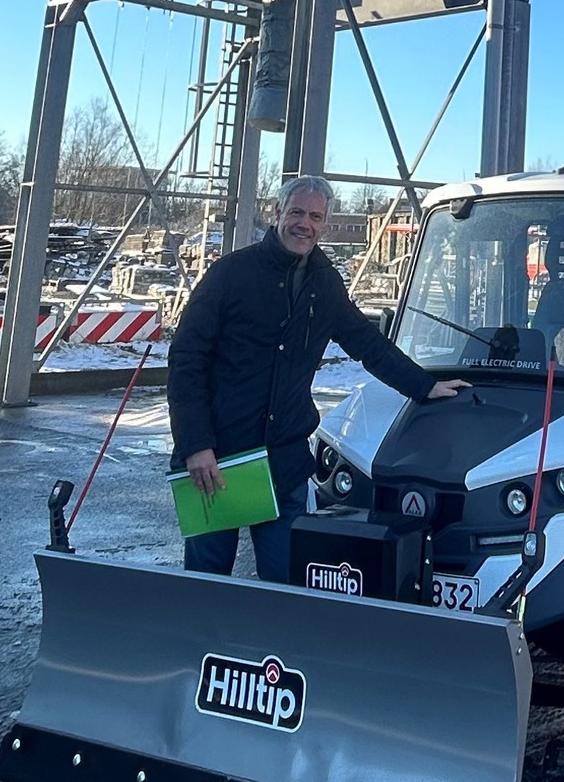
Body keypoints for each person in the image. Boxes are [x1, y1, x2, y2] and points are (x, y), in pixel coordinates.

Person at [168, 174, 467, 582]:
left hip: (284, 464)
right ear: (277, 214)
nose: (303, 224)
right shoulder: (230, 275)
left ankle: (275, 648)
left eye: (314, 216)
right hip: (220, 462)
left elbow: (365, 342)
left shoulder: (323, 284)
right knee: (207, 582)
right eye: (295, 212)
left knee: (286, 582)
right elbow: (187, 360)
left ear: (324, 223)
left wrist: (424, 385)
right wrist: (196, 444)